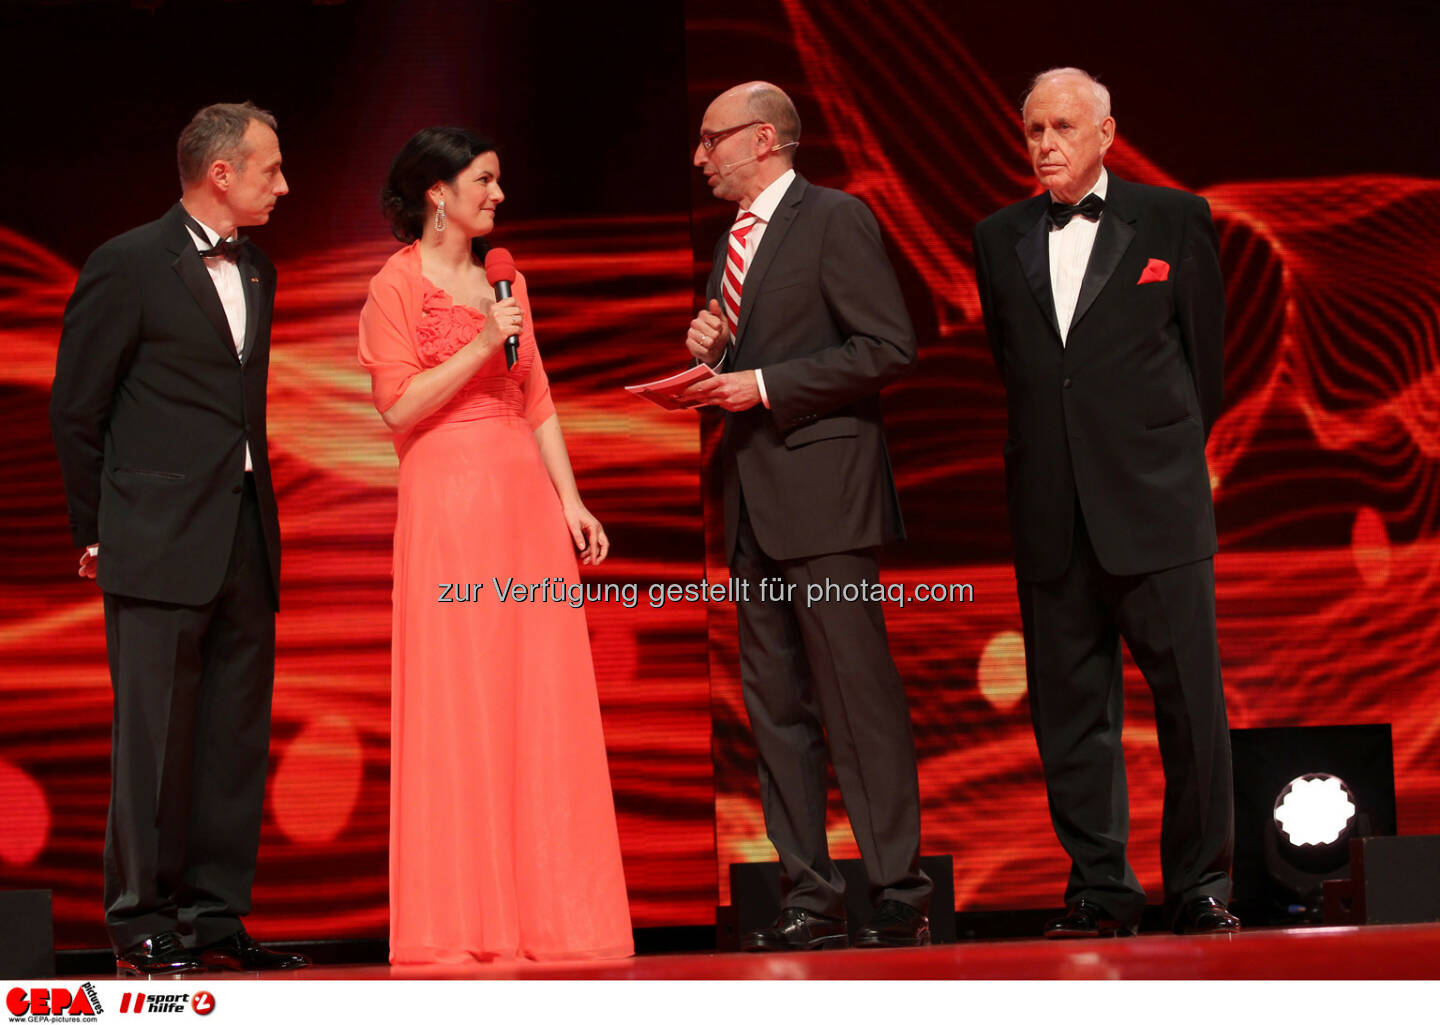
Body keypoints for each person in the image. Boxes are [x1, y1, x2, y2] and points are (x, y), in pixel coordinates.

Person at [972, 67, 1240, 937]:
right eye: (1033, 131)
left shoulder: (1173, 218)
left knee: (1190, 709)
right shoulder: (997, 236)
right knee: (1072, 714)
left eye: (1060, 128)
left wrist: (1158, 458)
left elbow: (1207, 364)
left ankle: (1200, 885)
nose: (1045, 145)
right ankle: (1099, 889)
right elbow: (1017, 367)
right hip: (1052, 511)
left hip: (1155, 505)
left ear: (1105, 133)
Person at [357, 127, 632, 964]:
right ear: (436, 191)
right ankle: (465, 922)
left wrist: (571, 499)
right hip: (450, 500)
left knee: (538, 698)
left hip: (522, 501)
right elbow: (397, 408)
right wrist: (480, 341)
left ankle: (557, 918)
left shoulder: (502, 280)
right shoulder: (393, 286)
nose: (499, 195)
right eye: (485, 179)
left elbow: (538, 396)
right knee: (464, 693)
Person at [50, 101, 307, 974]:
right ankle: (140, 917)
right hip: (155, 535)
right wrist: (97, 529)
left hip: (243, 528)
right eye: (270, 167)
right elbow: (77, 409)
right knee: (155, 738)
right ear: (221, 173)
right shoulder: (127, 263)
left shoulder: (261, 269)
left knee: (233, 736)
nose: (285, 182)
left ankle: (214, 915)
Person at [681, 82, 931, 950]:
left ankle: (899, 887)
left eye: (712, 140)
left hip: (826, 498)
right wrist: (712, 346)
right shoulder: (731, 242)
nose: (700, 157)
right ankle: (809, 893)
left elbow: (885, 346)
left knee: (856, 700)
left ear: (762, 139)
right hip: (751, 500)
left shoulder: (836, 219)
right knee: (774, 705)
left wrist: (761, 384)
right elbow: (754, 345)